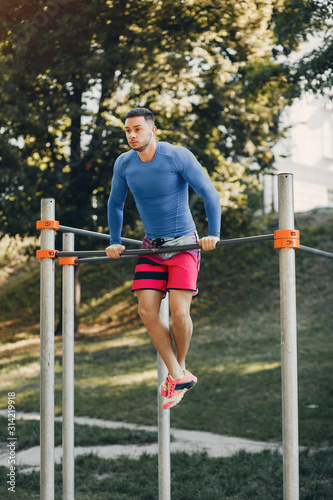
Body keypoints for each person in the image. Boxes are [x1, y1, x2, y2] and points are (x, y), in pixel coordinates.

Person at [106, 107, 221, 409]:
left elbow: (209, 192)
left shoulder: (176, 156)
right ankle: (179, 374)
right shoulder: (124, 163)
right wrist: (115, 241)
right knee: (147, 311)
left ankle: (178, 372)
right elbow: (115, 203)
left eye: (138, 129)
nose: (132, 135)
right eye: (128, 130)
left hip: (184, 244)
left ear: (152, 130)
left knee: (180, 315)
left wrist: (213, 233)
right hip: (151, 248)